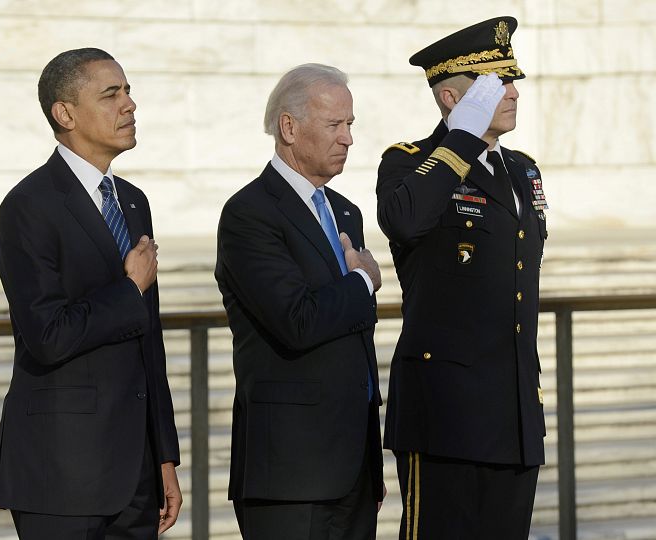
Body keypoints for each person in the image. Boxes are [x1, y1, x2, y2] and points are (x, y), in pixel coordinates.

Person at [0, 48, 182, 540]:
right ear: (64, 113)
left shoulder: (133, 201)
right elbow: (48, 334)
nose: (129, 105)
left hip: (135, 473)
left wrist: (165, 454)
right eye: (111, 94)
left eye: (129, 91)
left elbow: (147, 342)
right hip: (60, 473)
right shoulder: (29, 205)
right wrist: (130, 288)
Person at [376, 16, 548, 539]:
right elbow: (405, 220)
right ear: (453, 98)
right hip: (446, 411)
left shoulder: (523, 170)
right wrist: (462, 141)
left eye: (512, 81)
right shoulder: (410, 164)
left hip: (513, 410)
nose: (514, 93)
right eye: (496, 85)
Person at [215, 63, 386, 540]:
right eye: (335, 125)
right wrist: (361, 281)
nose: (348, 138)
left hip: (353, 466)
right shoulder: (249, 213)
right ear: (288, 127)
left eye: (350, 124)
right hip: (291, 473)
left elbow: (355, 336)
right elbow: (297, 319)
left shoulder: (345, 210)